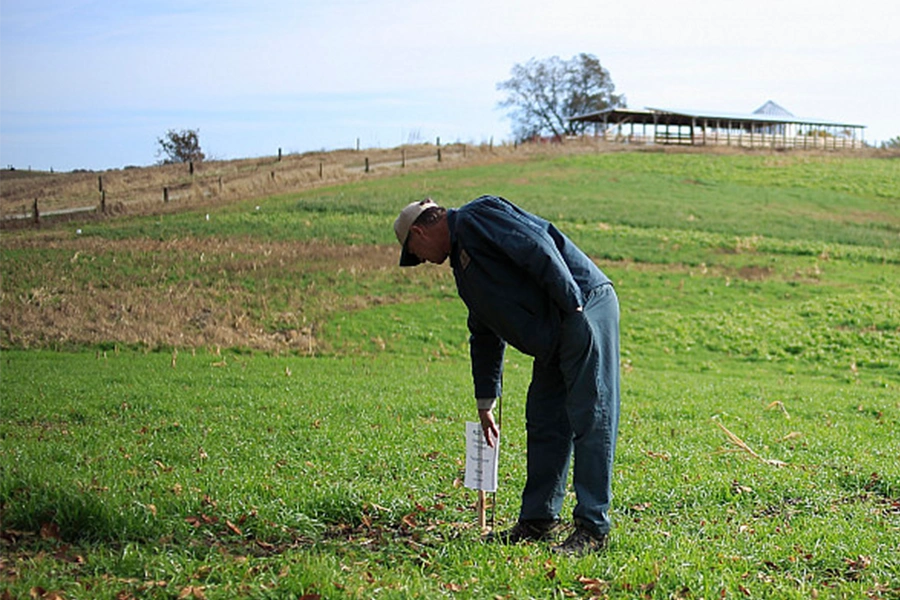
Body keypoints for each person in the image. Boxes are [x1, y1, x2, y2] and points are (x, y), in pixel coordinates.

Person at [393, 195, 620, 555]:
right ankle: (538, 521)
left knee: (591, 415)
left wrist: (572, 304)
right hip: (555, 328)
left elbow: (536, 245)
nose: (421, 261)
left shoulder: (476, 216)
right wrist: (486, 400)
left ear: (420, 231)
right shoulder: (464, 272)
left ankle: (593, 528)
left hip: (581, 305)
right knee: (544, 419)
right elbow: (483, 333)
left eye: (415, 252)